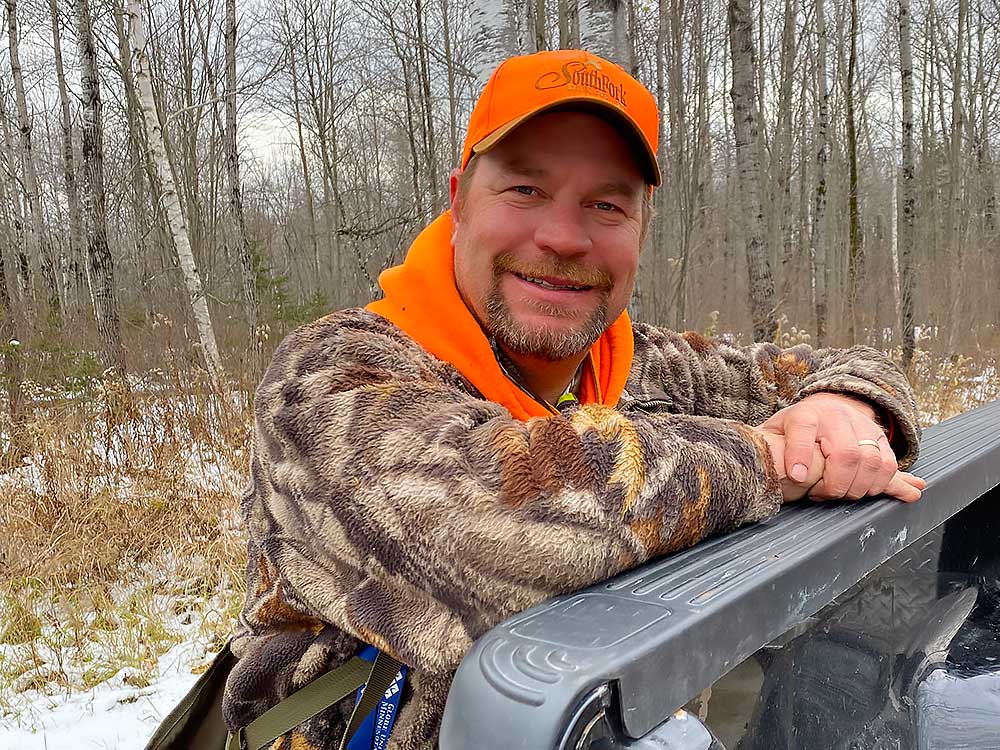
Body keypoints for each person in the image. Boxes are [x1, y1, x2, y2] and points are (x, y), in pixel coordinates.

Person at [221, 49, 924, 749]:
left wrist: (845, 408)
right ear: (459, 199)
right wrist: (771, 460)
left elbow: (845, 366)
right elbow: (487, 521)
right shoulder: (330, 377)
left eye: (606, 204)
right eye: (525, 190)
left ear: (641, 229)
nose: (562, 237)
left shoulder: (640, 366)